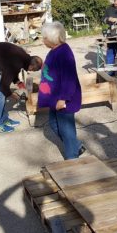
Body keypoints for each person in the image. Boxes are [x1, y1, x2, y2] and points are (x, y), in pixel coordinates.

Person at [37, 22, 85, 159]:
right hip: (54, 97)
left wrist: (63, 99)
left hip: (63, 99)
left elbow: (69, 79)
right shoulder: (54, 50)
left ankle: (72, 159)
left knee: (67, 130)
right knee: (53, 124)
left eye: (44, 38)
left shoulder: (64, 53)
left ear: (52, 39)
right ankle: (76, 146)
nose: (43, 40)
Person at [0, 42, 42, 133]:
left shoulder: (23, 57)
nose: (30, 71)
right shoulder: (18, 62)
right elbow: (3, 86)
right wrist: (12, 95)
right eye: (32, 70)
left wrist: (17, 82)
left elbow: (9, 69)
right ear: (31, 66)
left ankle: (4, 119)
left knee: (2, 93)